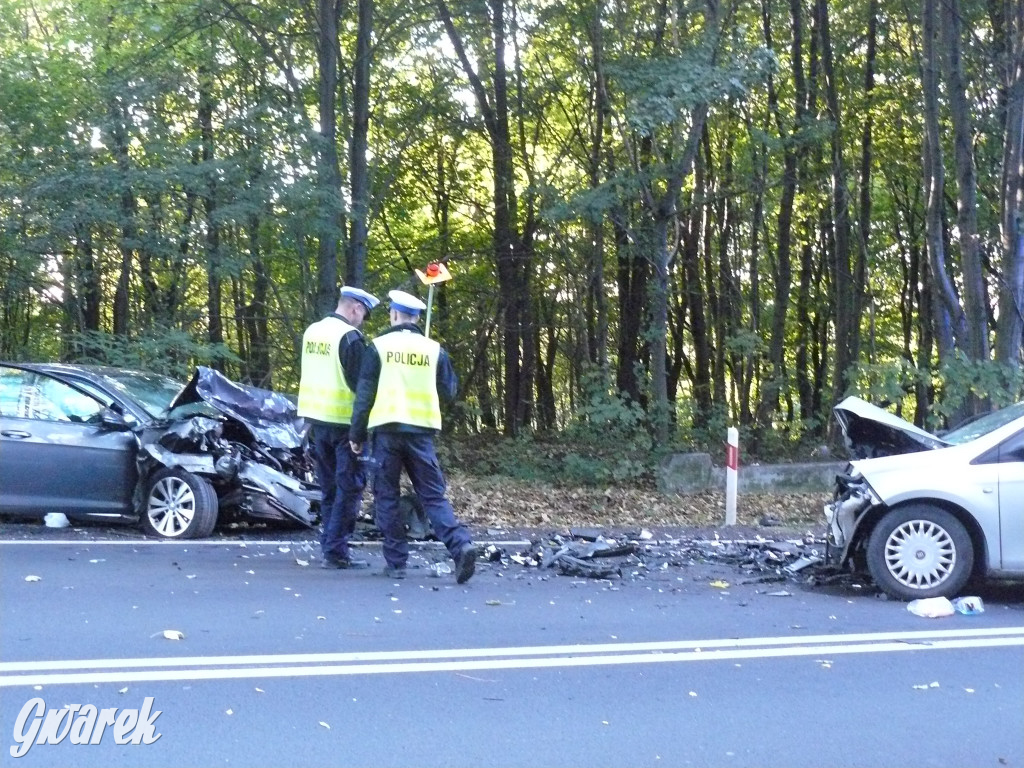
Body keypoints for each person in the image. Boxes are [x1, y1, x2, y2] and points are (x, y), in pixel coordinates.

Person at [348, 289, 477, 583]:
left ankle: (396, 563)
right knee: (433, 496)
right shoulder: (434, 349)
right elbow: (450, 391)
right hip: (421, 433)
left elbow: (364, 395)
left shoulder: (378, 347)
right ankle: (461, 547)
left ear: (394, 315)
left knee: (386, 496)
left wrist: (356, 433)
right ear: (417, 318)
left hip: (387, 433)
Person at [297, 285, 380, 569]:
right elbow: (363, 386)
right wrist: (362, 429)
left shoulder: (313, 331)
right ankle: (336, 550)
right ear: (355, 308)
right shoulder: (350, 338)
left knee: (330, 488)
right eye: (363, 314)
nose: (362, 320)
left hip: (317, 423)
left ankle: (330, 545)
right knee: (350, 488)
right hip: (344, 425)